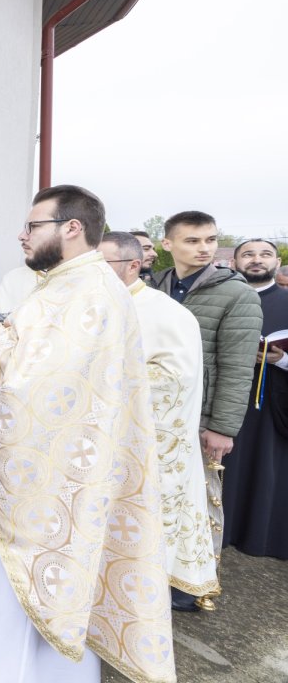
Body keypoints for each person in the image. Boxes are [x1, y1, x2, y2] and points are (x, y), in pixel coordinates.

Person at [0, 185, 174, 683]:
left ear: (71, 228)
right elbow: (36, 357)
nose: (21, 236)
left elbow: (44, 382)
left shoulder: (88, 290)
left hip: (49, 482)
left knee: (25, 583)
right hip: (43, 469)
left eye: (32, 226)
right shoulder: (64, 284)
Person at [152, 210, 261, 609]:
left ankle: (193, 587)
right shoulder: (156, 286)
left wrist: (223, 427)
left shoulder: (237, 294)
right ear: (168, 244)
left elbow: (236, 368)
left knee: (199, 502)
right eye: (192, 241)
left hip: (201, 418)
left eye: (210, 241)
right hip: (158, 414)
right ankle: (154, 573)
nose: (204, 249)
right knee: (159, 501)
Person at [100, 232, 218, 600]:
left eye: (102, 266)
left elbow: (175, 380)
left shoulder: (167, 313)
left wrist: (103, 379)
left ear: (133, 266)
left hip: (150, 441)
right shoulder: (92, 304)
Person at [223, 239, 288, 559]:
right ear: (234, 263)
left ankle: (258, 537)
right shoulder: (227, 299)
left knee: (266, 468)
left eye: (265, 255)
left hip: (274, 402)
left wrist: (281, 360)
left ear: (277, 262)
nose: (257, 260)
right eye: (248, 255)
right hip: (226, 400)